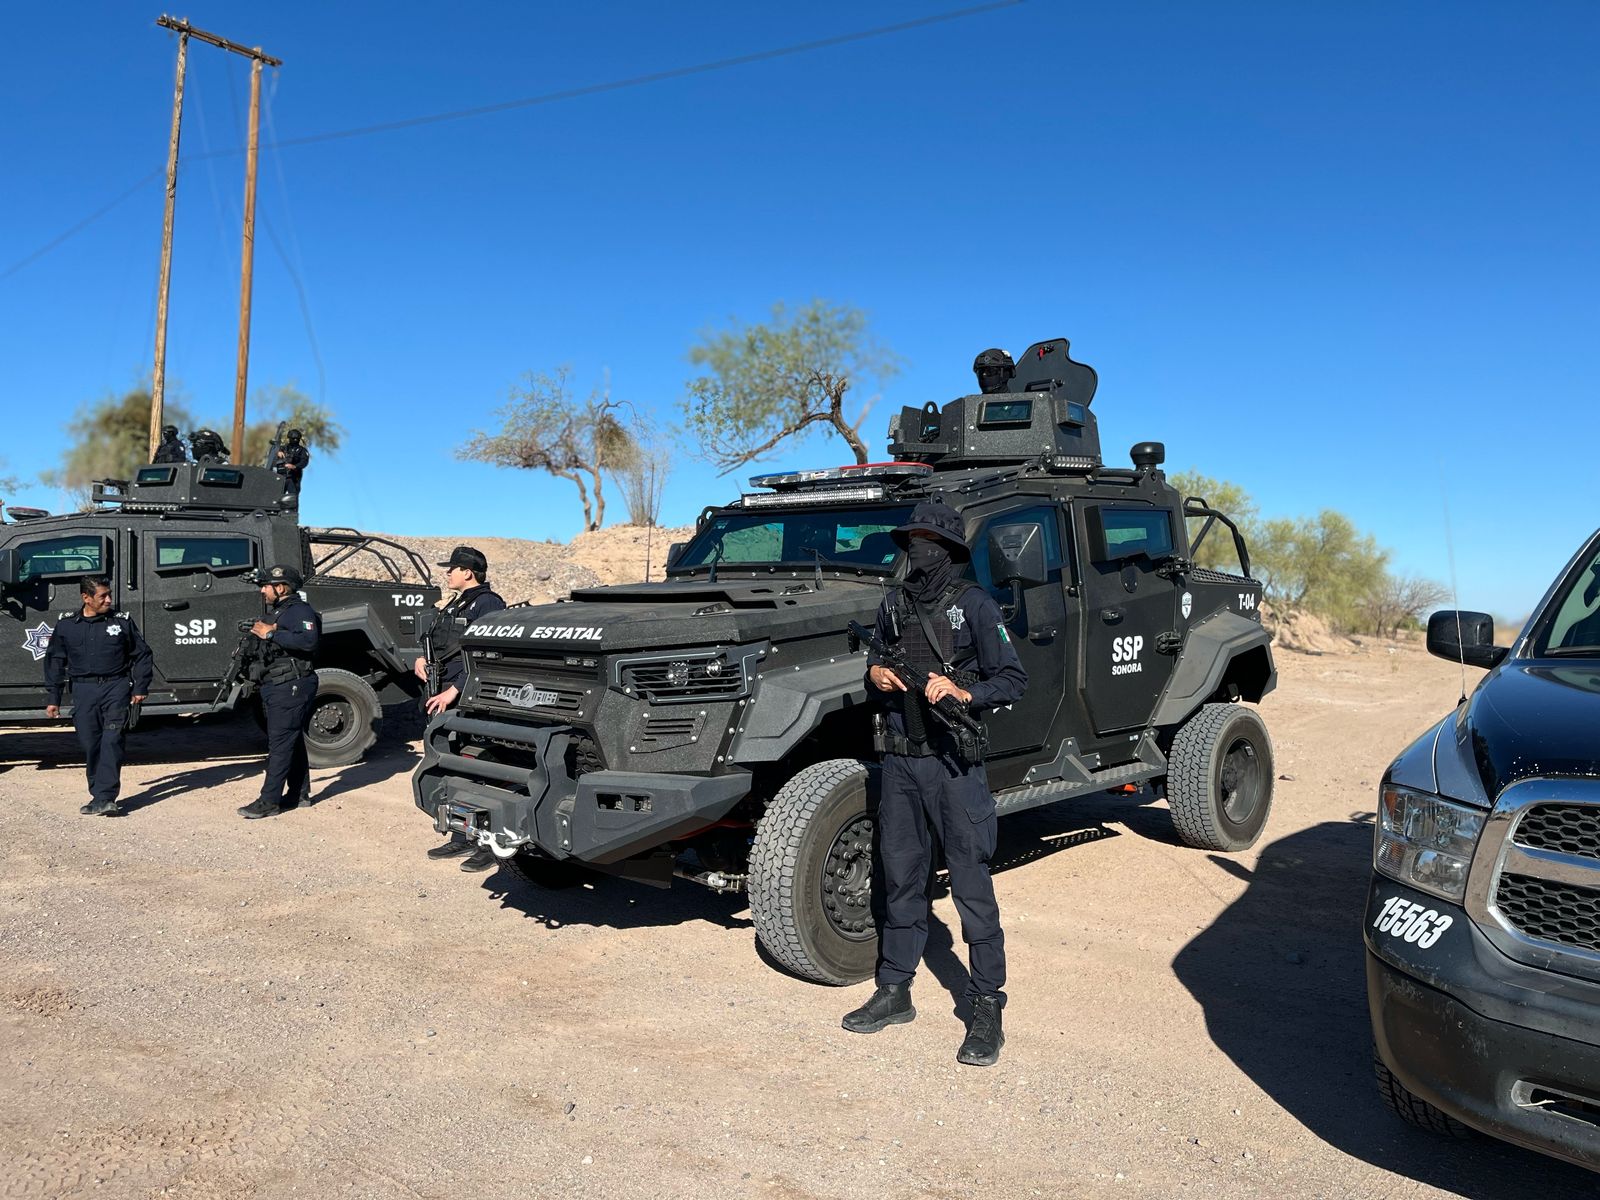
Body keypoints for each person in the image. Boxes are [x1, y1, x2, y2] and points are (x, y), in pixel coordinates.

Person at [842, 499, 1027, 1067]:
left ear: (947, 550)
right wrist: (875, 675)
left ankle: (986, 1004)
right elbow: (875, 670)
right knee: (900, 878)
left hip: (953, 767)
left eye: (927, 542)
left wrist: (964, 692)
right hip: (900, 764)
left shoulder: (975, 605)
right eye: (912, 542)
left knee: (971, 884)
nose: (917, 551)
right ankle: (894, 988)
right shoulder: (893, 604)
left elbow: (1012, 679)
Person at [417, 545, 507, 871]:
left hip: (466, 699)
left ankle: (487, 844)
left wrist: (453, 691)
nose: (448, 573)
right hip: (442, 695)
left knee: (478, 770)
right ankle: (461, 835)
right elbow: (439, 642)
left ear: (468, 572)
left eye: (452, 568)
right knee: (452, 769)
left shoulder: (488, 604)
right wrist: (421, 659)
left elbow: (485, 658)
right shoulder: (456, 603)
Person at [43, 576, 153, 816]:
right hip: (84, 690)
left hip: (116, 687)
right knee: (90, 742)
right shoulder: (67, 625)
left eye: (109, 594)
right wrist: (54, 697)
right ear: (86, 598)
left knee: (112, 740)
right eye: (103, 596)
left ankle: (105, 796)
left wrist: (140, 687)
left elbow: (143, 654)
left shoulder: (121, 622)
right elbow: (55, 661)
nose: (109, 600)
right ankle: (98, 794)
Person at [238, 564, 322, 820]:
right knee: (291, 740)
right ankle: (299, 794)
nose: (262, 590)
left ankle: (269, 801)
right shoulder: (280, 611)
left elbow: (309, 641)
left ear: (282, 587)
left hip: (291, 685)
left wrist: (271, 633)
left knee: (280, 744)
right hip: (277, 685)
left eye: (267, 586)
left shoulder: (300, 611)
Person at [272, 428, 311, 498]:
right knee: (276, 496)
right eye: (293, 438)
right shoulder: (283, 448)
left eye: (297, 439)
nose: (295, 440)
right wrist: (278, 452)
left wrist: (294, 466)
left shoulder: (302, 450)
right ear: (289, 438)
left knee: (293, 496)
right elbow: (272, 453)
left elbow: (304, 462)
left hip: (293, 477)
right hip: (280, 476)